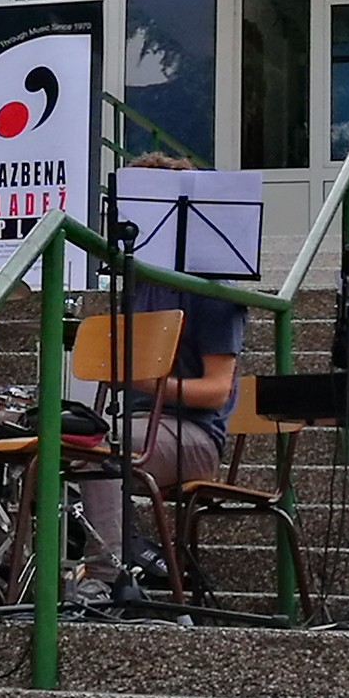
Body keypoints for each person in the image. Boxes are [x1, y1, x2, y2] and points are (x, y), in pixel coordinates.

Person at [72, 152, 246, 609]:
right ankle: (24, 574)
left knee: (98, 448)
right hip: (134, 424)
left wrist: (150, 385)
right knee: (42, 438)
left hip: (194, 436)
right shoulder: (136, 282)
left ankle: (106, 578)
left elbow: (218, 390)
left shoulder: (212, 286)